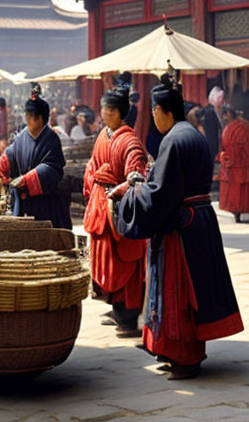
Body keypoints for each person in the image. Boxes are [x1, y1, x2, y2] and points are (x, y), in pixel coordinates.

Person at [115, 74, 243, 380]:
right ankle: (177, 352)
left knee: (179, 293)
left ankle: (184, 357)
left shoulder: (173, 139)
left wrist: (131, 193)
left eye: (154, 112)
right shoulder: (193, 133)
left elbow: (160, 193)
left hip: (181, 228)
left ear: (163, 111)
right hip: (199, 219)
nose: (154, 118)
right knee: (195, 291)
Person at [84, 79, 148, 337]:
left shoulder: (130, 141)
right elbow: (92, 166)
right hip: (101, 210)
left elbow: (137, 174)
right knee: (106, 262)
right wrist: (95, 179)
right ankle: (114, 306)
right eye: (103, 109)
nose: (105, 114)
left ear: (122, 113)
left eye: (111, 110)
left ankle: (128, 316)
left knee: (124, 264)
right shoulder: (102, 135)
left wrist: (117, 186)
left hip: (118, 210)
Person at [0, 84, 70, 229]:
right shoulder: (22, 137)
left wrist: (26, 180)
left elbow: (52, 167)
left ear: (40, 119)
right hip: (23, 202)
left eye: (30, 117)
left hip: (46, 202)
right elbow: (10, 154)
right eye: (27, 115)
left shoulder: (51, 139)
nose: (27, 119)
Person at [217, 106, 249, 223]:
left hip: (231, 161)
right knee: (240, 189)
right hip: (240, 161)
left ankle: (236, 213)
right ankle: (237, 213)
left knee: (234, 188)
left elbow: (223, 145)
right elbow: (246, 144)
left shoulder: (227, 128)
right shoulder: (241, 127)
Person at [202, 87, 224, 162]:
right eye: (221, 98)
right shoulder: (210, 112)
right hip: (210, 145)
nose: (223, 102)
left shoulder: (212, 110)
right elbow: (210, 133)